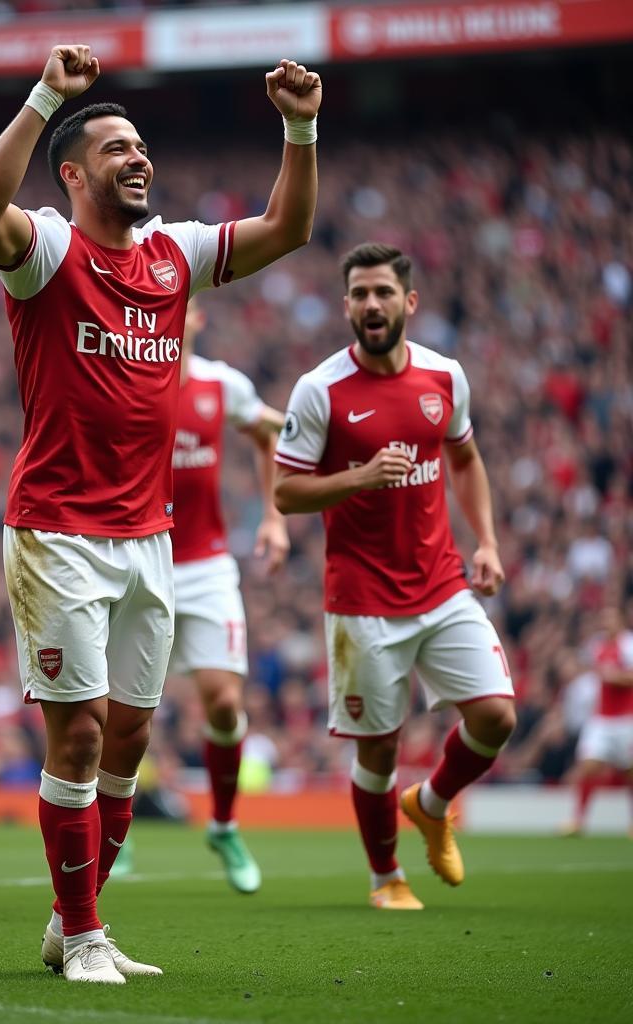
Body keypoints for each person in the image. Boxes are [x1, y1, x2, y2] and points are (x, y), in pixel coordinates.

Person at [0, 43, 320, 982]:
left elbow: (288, 227)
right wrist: (48, 97)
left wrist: (299, 125)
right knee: (76, 734)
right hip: (56, 531)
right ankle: (82, 935)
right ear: (73, 174)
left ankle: (70, 921)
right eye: (116, 147)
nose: (138, 156)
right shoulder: (45, 248)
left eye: (142, 143)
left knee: (128, 737)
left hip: (151, 537)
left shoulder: (174, 253)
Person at [274, 242, 517, 910]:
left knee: (496, 717)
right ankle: (386, 877)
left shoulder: (444, 377)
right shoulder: (320, 390)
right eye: (359, 294)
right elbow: (287, 493)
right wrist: (356, 477)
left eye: (382, 292)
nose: (371, 305)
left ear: (409, 302)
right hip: (362, 600)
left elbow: (464, 459)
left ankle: (432, 803)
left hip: (441, 584)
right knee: (378, 751)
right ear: (346, 305)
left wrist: (488, 541)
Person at [129, 300, 289, 893]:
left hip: (206, 567)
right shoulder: (128, 374)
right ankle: (112, 831)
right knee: (125, 712)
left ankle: (223, 823)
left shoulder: (224, 385)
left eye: (188, 305)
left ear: (198, 317)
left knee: (223, 702)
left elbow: (270, 430)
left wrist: (273, 516)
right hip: (137, 557)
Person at [563, 605, 633, 835]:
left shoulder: (628, 644)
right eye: (604, 617)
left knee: (629, 771)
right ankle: (579, 820)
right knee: (587, 765)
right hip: (601, 718)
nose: (606, 622)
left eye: (611, 617)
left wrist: (617, 677)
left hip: (626, 719)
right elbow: (589, 669)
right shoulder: (597, 644)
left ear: (620, 620)